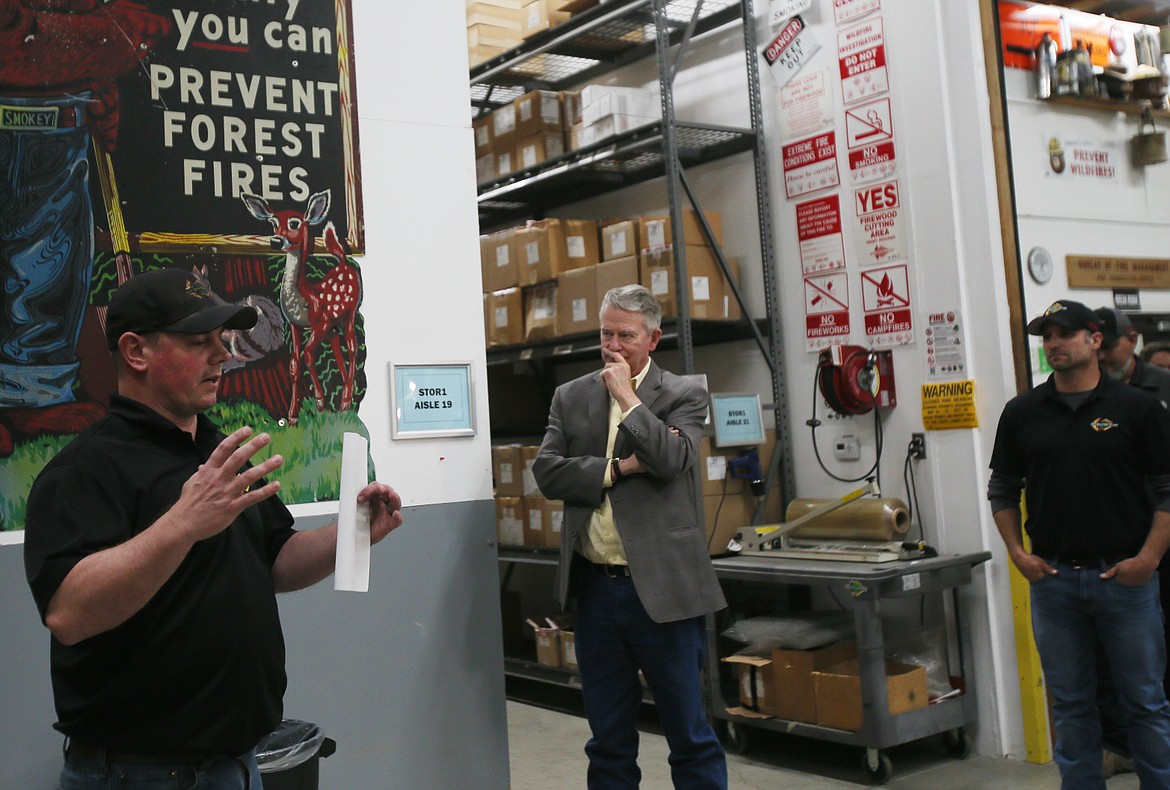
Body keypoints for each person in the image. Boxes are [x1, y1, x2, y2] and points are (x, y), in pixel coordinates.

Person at [23, 268, 404, 789]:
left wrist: (352, 532)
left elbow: (275, 560)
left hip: (237, 765)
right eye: (199, 342)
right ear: (137, 353)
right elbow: (69, 614)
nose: (222, 355)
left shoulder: (214, 451)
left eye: (221, 340)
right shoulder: (82, 473)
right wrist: (182, 524)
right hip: (138, 775)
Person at [532, 284, 728, 789]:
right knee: (608, 740)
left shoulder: (685, 393)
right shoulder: (570, 396)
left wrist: (625, 393)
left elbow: (669, 460)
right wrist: (616, 470)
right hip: (597, 592)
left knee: (689, 734)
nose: (613, 346)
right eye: (605, 333)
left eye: (625, 335)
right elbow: (548, 473)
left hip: (664, 592)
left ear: (652, 339)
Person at [988, 299, 1170, 788]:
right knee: (1070, 706)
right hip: (1054, 583)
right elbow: (1002, 488)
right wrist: (1018, 553)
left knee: (1146, 703)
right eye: (1047, 336)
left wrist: (1149, 560)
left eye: (1065, 334)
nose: (1053, 344)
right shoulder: (1022, 412)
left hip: (1126, 583)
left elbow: (1168, 489)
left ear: (1095, 340)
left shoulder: (1137, 409)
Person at [1096, 307, 1170, 407]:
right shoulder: (1079, 388)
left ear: (1132, 340)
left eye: (1108, 347)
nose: (1101, 356)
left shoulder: (1164, 384)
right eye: (1094, 349)